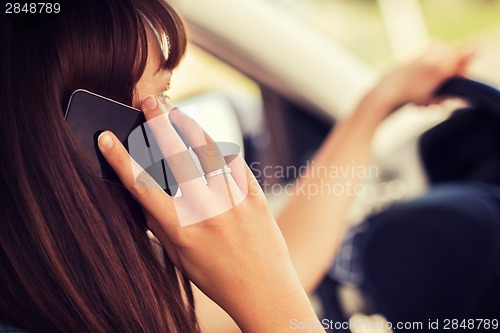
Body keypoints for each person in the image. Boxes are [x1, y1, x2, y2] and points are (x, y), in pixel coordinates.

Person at [0, 0, 472, 332]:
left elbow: (277, 274)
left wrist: (379, 100)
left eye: (167, 98)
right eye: (158, 99)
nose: (175, 129)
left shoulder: (95, 296)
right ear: (81, 141)